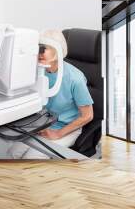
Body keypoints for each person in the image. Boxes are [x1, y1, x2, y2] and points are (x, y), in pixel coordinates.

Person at [8, 29, 94, 159]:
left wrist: (58, 133)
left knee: (32, 158)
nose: (39, 53)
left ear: (57, 50)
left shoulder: (75, 78)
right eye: (38, 49)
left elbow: (88, 116)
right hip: (44, 123)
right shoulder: (38, 71)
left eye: (44, 49)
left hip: (67, 128)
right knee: (14, 151)